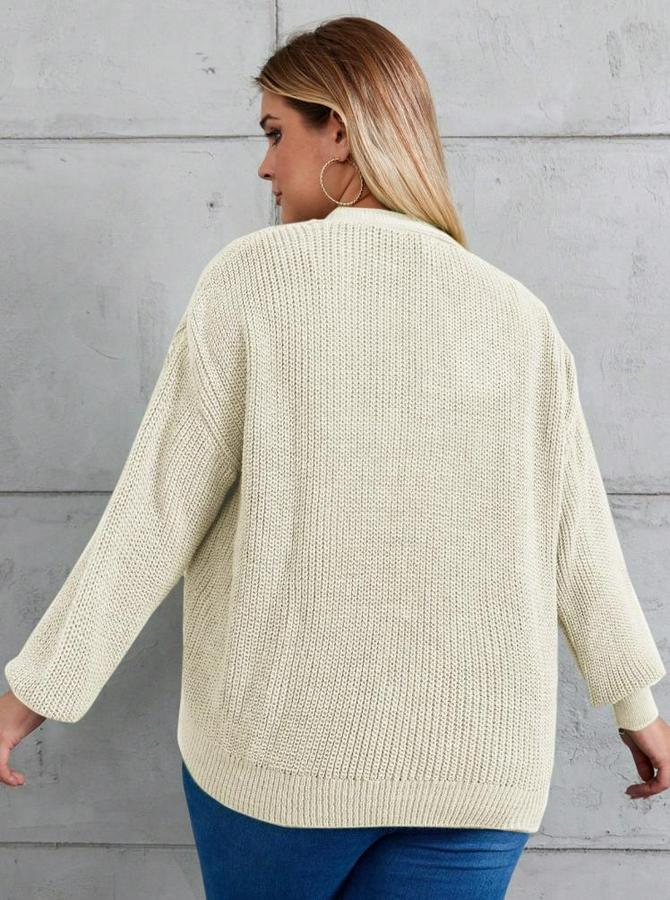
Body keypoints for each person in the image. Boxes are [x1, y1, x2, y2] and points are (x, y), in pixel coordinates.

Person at [2, 14, 669, 900]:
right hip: (479, 766)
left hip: (285, 760)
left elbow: (156, 513)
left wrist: (27, 697)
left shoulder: (254, 281)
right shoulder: (517, 315)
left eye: (276, 133)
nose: (264, 166)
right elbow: (576, 532)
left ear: (341, 132)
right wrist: (637, 708)